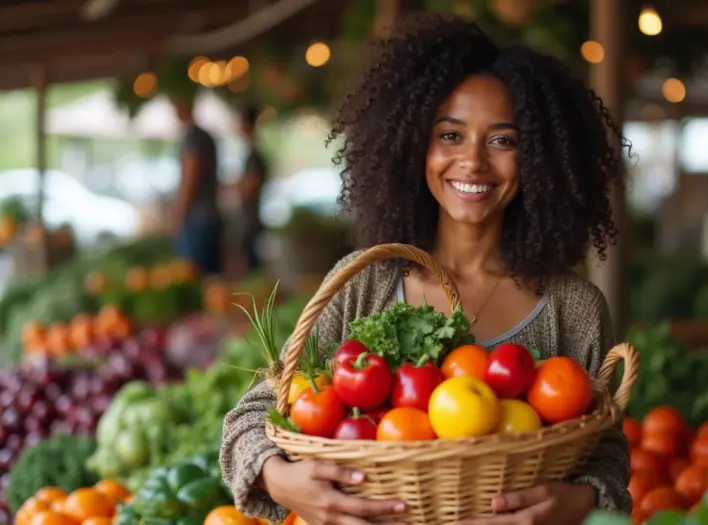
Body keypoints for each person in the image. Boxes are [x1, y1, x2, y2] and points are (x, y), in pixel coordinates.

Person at [220, 14, 631, 525]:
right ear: (414, 146)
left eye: (503, 141)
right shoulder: (364, 284)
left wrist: (581, 499)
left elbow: (608, 447)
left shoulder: (575, 309)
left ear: (539, 160)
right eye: (450, 135)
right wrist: (286, 483)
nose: (474, 162)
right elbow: (249, 419)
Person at [171, 99, 223, 275]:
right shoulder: (206, 136)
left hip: (197, 218)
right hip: (211, 214)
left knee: (192, 275)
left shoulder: (192, 138)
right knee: (213, 281)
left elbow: (190, 179)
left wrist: (179, 211)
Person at [236, 105, 269, 272]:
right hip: (251, 218)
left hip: (251, 219)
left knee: (254, 268)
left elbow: (251, 186)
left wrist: (237, 187)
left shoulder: (254, 155)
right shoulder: (252, 153)